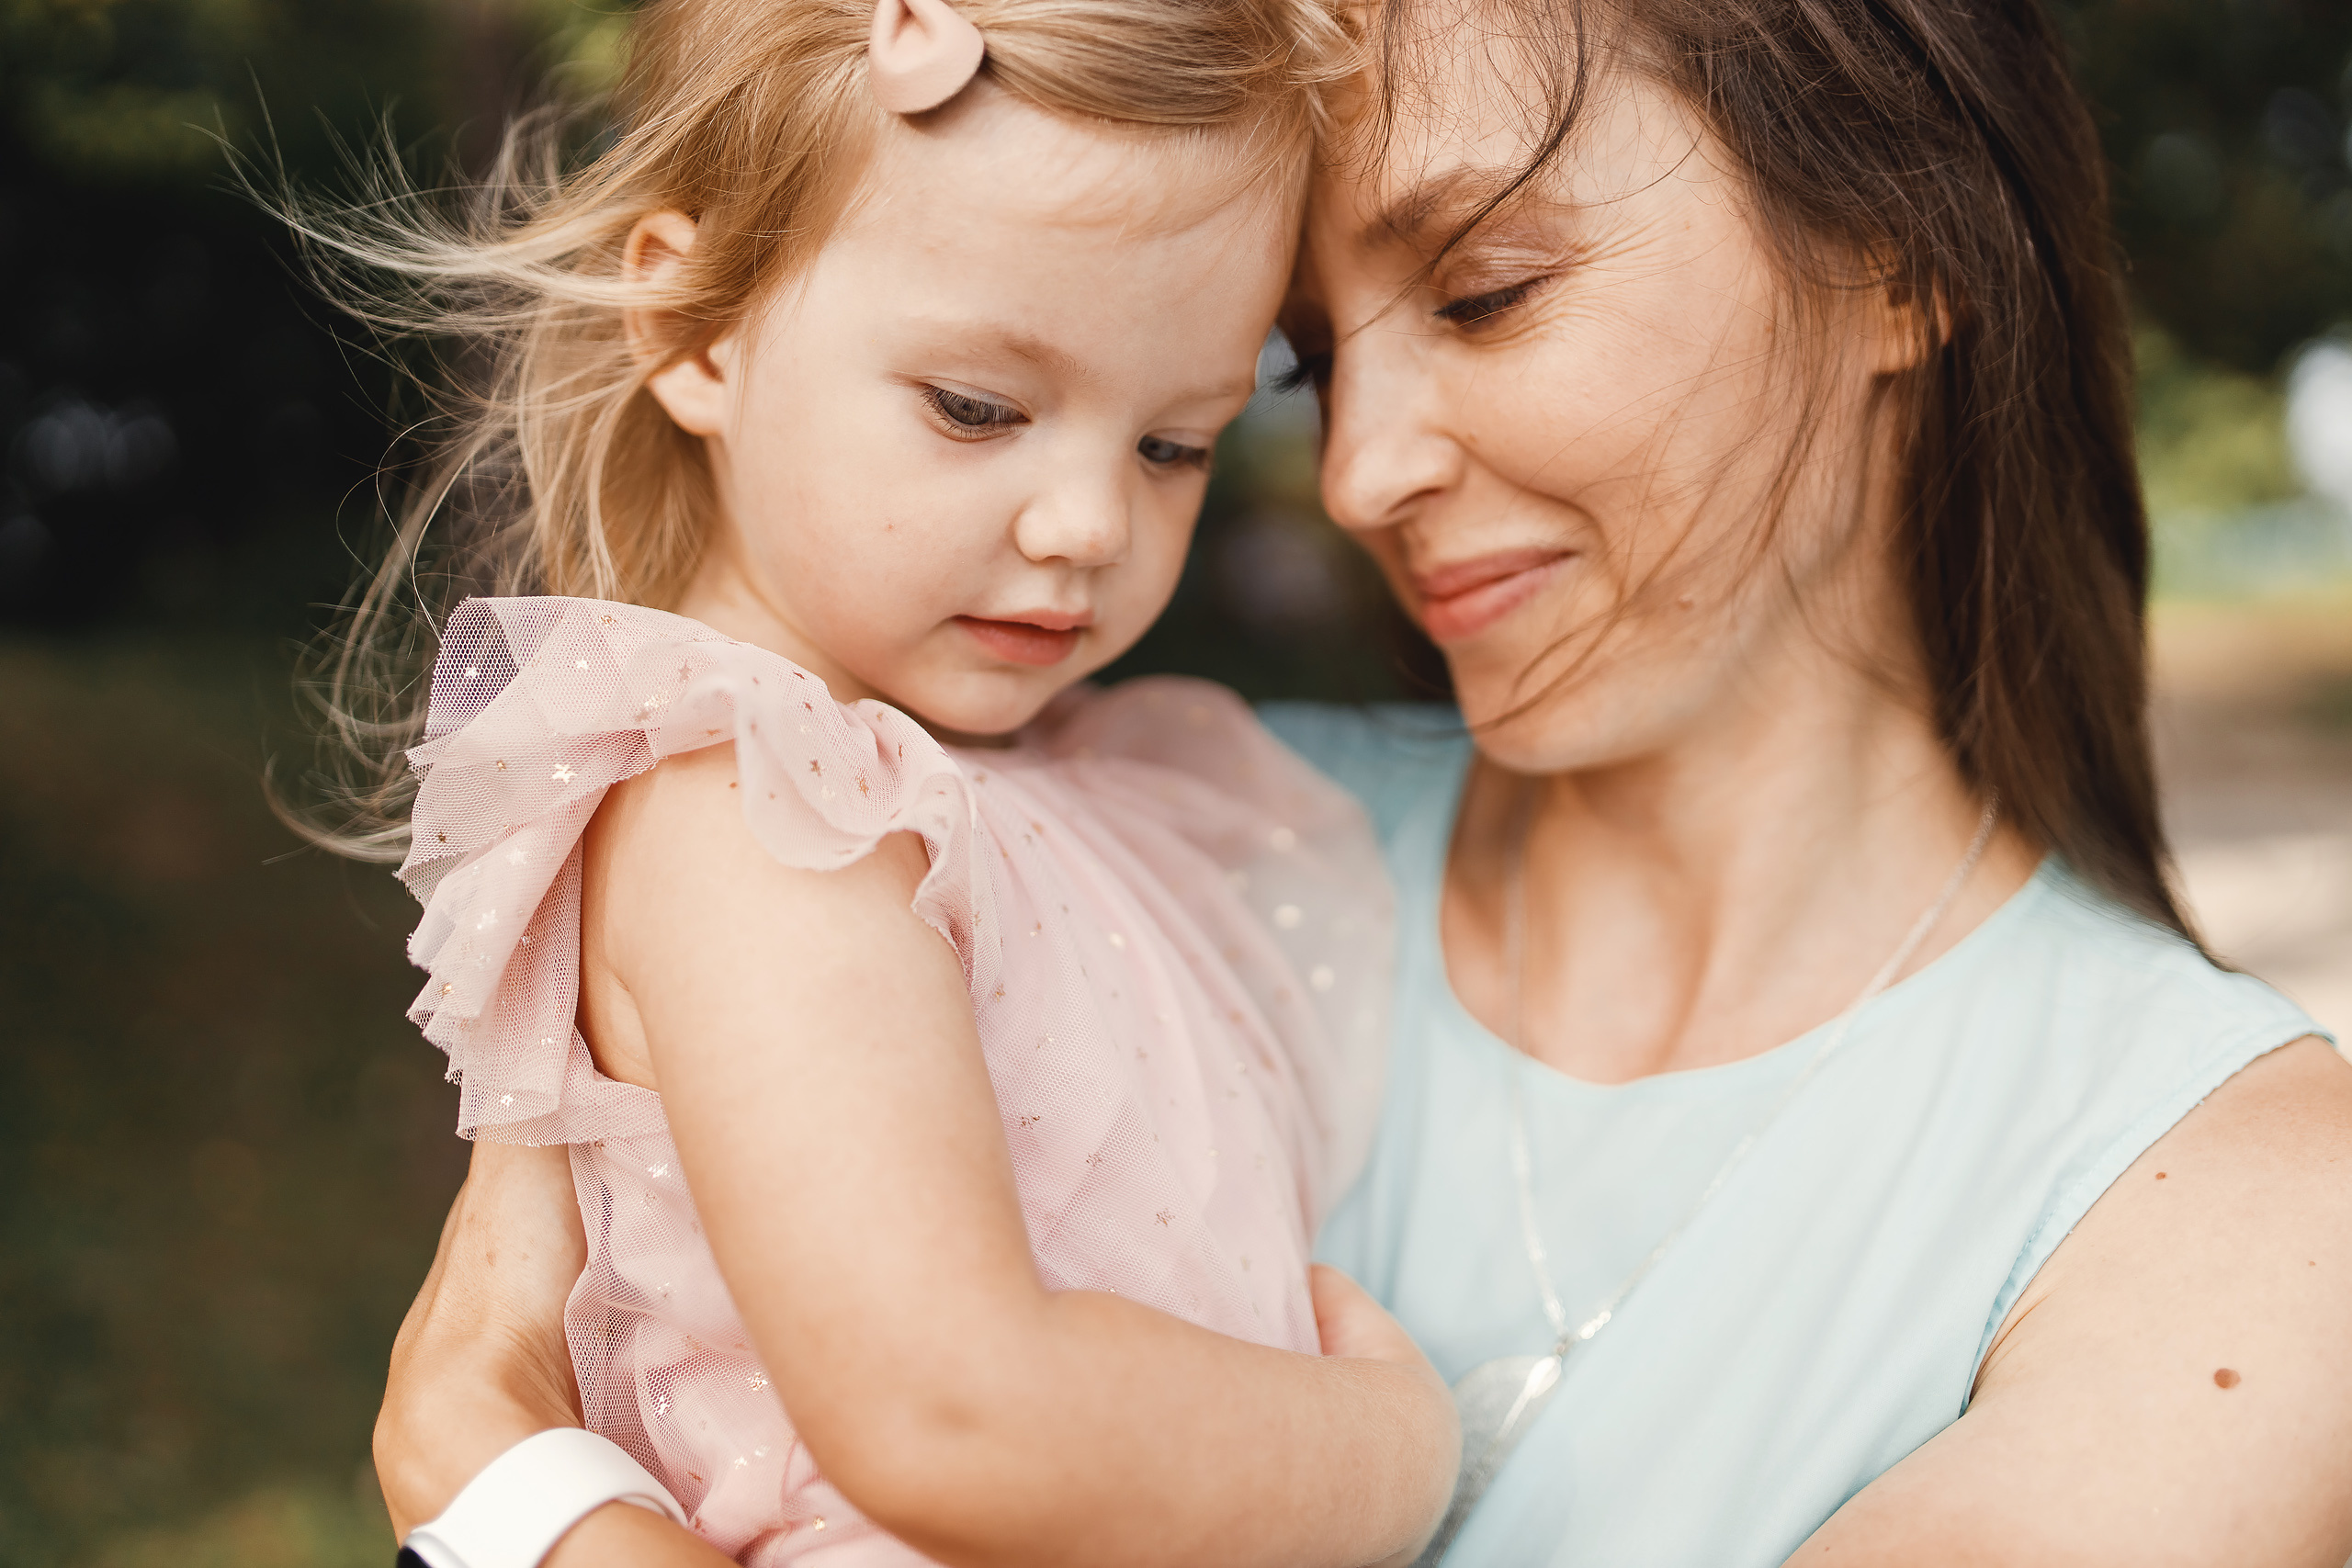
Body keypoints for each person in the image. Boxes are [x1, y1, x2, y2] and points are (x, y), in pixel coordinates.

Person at [375, 0, 2352, 1562]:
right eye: (1312, 365)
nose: (1351, 474)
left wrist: (512, 1504)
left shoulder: (2236, 1218)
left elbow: (485, 1420)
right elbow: (604, 1359)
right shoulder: (1067, 835)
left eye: (1485, 289)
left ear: (1892, 253)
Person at [294, 0, 1466, 1563]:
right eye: (978, 408)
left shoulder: (1021, 783)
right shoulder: (759, 811)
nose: (1087, 526)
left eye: (1174, 444)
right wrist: (1396, 1448)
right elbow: (955, 1416)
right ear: (697, 330)